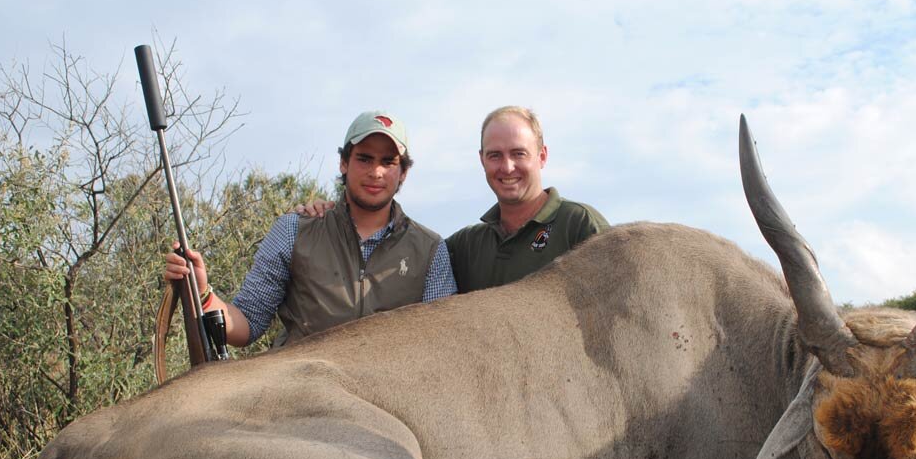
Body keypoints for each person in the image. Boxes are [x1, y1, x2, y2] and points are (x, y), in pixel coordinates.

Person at [164, 111, 457, 348]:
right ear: (344, 162)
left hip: (387, 407)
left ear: (403, 171)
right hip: (301, 402)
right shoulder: (293, 230)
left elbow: (440, 346)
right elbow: (247, 324)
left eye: (388, 162)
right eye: (364, 158)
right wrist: (202, 291)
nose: (375, 172)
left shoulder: (430, 250)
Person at [445, 106, 608, 293]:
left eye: (518, 153)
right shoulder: (465, 245)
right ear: (482, 160)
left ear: (542, 156)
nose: (507, 167)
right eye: (495, 155)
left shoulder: (579, 225)